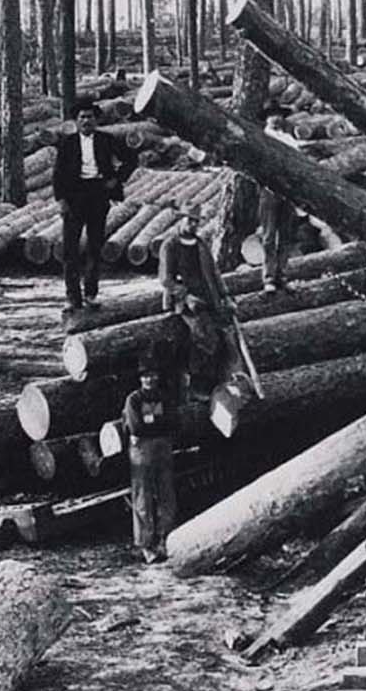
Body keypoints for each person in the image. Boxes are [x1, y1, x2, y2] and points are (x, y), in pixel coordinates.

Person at [52, 95, 136, 312]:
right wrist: (61, 200)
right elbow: (58, 174)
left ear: (96, 120)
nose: (87, 121)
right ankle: (72, 297)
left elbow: (131, 158)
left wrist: (116, 179)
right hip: (74, 196)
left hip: (98, 194)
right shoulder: (67, 144)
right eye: (82, 117)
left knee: (94, 247)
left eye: (90, 117)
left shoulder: (106, 140)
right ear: (76, 121)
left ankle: (90, 294)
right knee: (70, 250)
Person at [159, 203, 234, 394]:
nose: (193, 225)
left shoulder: (201, 244)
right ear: (181, 219)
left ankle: (219, 382)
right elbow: (166, 279)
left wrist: (225, 296)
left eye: (196, 222)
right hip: (183, 302)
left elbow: (214, 273)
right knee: (204, 336)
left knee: (224, 334)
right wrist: (186, 296)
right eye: (189, 220)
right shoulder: (170, 245)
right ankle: (198, 387)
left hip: (208, 296)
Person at [123, 350, 179, 562]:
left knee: (167, 493)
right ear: (140, 378)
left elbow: (174, 422)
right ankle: (146, 545)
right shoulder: (134, 399)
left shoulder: (164, 396)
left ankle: (167, 538)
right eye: (145, 376)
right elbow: (135, 427)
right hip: (142, 452)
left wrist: (153, 425)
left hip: (162, 448)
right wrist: (157, 425)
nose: (150, 379)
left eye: (153, 375)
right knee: (142, 497)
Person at [255, 104, 301, 291]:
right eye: (272, 115)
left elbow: (298, 162)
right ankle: (268, 277)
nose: (276, 118)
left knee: (285, 236)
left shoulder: (289, 139)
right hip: (269, 190)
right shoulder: (261, 138)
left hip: (288, 190)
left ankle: (281, 274)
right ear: (266, 118)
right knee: (268, 236)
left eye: (279, 115)